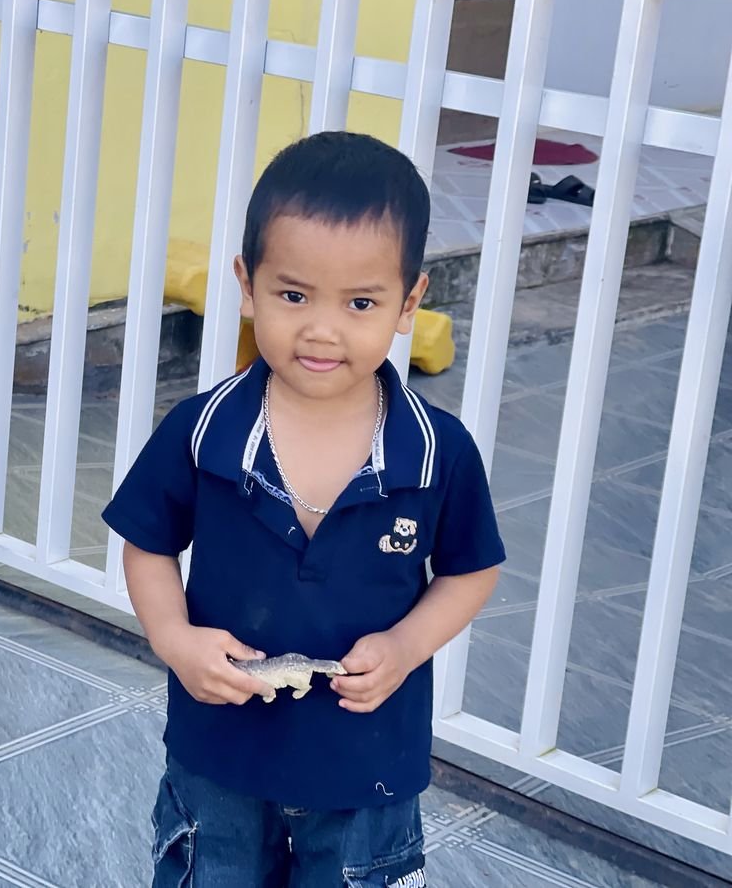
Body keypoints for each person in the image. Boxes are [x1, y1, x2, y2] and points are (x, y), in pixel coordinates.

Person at [102, 131, 505, 887]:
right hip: (218, 753)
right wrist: (174, 639)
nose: (322, 329)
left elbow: (471, 571)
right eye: (293, 296)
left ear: (408, 302)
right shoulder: (202, 431)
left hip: (365, 766)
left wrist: (406, 647)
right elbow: (147, 544)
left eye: (360, 302)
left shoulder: (436, 452)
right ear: (247, 284)